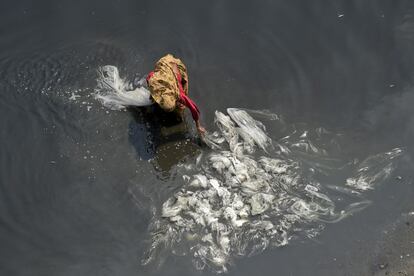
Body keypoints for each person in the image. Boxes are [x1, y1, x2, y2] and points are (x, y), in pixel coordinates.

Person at [146, 54, 206, 136]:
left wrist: (198, 126)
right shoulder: (160, 88)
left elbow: (194, 109)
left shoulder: (179, 95)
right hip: (166, 68)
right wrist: (152, 94)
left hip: (173, 64)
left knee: (184, 88)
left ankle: (178, 106)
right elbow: (149, 77)